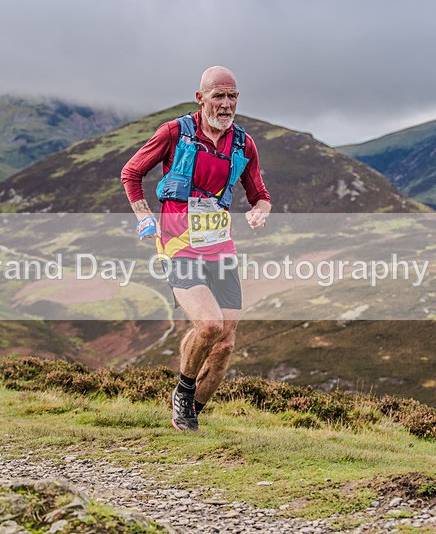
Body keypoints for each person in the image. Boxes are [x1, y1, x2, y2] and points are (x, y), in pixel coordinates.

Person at [121, 66, 271, 430]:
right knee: (208, 324)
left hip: (220, 249)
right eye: (218, 96)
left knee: (224, 345)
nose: (225, 104)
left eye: (232, 96)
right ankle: (183, 393)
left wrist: (260, 210)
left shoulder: (243, 143)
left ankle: (190, 416)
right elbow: (131, 173)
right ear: (200, 98)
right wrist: (143, 216)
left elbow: (260, 195)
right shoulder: (174, 133)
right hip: (178, 244)